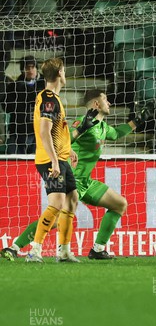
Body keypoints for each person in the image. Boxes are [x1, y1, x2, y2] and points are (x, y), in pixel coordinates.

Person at [1, 90, 149, 261]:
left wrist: (137, 121)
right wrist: (78, 133)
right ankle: (14, 247)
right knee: (55, 220)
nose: (109, 103)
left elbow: (116, 134)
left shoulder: (102, 127)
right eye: (105, 100)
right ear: (96, 104)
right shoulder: (82, 123)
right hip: (72, 179)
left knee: (119, 204)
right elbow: (65, 140)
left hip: (86, 182)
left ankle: (98, 249)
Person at [25, 58, 83, 263]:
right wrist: (55, 161)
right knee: (57, 203)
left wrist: (67, 152)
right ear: (59, 73)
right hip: (50, 159)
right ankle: (34, 250)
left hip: (59, 157)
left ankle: (64, 251)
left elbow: (58, 131)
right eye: (65, 71)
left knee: (72, 199)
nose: (66, 75)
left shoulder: (53, 98)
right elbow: (44, 131)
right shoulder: (49, 98)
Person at [1, 56, 46, 154]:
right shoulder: (13, 87)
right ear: (22, 70)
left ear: (36, 68)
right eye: (27, 68)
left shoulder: (46, 86)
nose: (30, 70)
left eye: (32, 67)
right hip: (18, 132)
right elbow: (7, 107)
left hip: (39, 132)